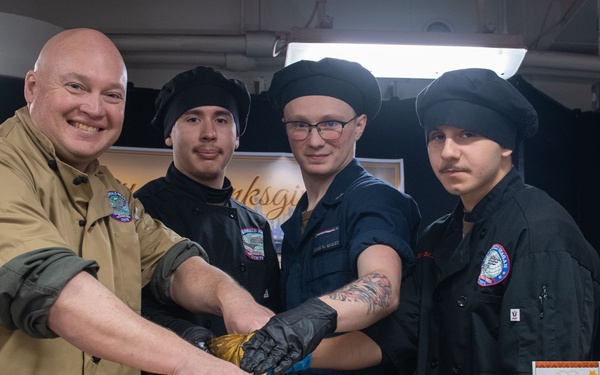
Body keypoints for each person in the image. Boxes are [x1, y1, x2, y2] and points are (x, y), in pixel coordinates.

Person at [0, 28, 274, 375]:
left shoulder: (111, 191)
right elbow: (48, 285)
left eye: (112, 94)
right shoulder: (6, 164)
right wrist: (196, 362)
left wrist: (232, 298)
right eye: (76, 86)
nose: (94, 108)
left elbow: (170, 259)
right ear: (32, 88)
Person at [365, 68, 600, 374]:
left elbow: (557, 368)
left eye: (467, 134)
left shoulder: (543, 235)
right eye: (437, 136)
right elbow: (396, 341)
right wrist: (305, 347)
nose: (448, 152)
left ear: (505, 144)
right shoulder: (436, 240)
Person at [240, 57, 421, 375]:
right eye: (300, 125)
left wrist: (308, 321)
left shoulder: (373, 198)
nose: (314, 140)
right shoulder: (300, 217)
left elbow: (381, 287)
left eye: (330, 124)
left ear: (359, 125)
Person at [134, 65, 282, 342]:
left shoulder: (256, 224)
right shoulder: (140, 210)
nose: (209, 134)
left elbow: (271, 307)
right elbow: (123, 305)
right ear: (169, 134)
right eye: (192, 119)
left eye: (222, 120)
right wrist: (187, 336)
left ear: (236, 137)